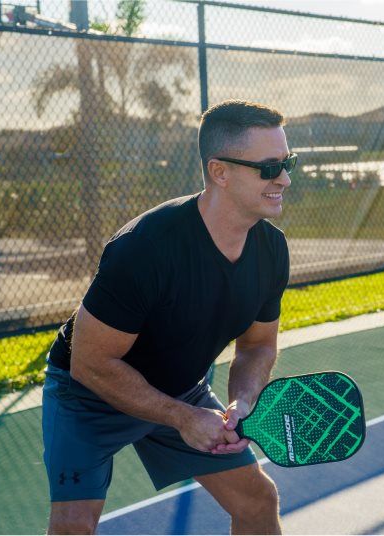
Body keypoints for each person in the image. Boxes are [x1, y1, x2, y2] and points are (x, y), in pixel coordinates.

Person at [41, 99, 295, 534]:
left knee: (257, 500)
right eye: (269, 168)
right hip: (88, 394)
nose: (285, 179)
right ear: (220, 172)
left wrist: (244, 404)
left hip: (182, 389)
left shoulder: (271, 250)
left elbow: (257, 345)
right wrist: (180, 417)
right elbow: (91, 363)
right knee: (74, 526)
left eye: (289, 163)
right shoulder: (146, 248)